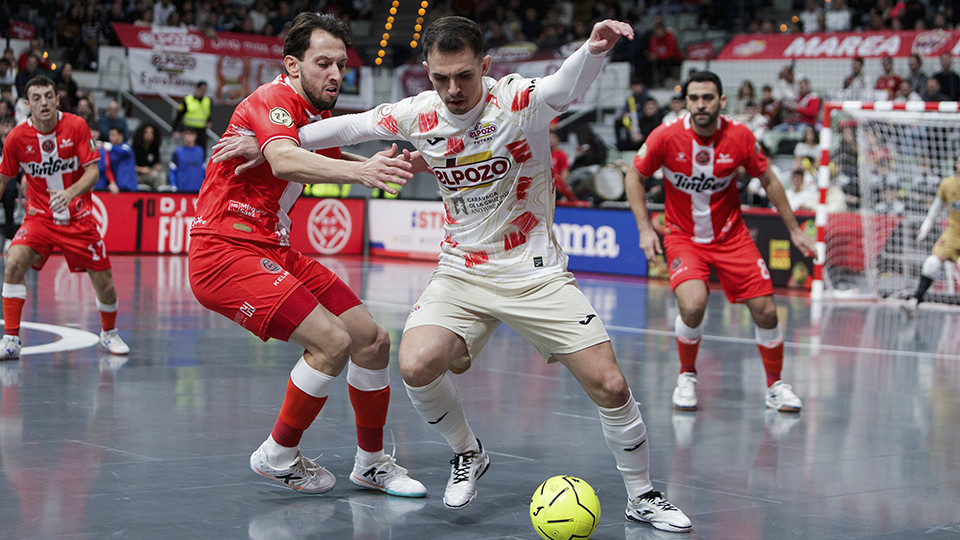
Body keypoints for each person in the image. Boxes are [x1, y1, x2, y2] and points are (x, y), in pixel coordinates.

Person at [214, 15, 692, 532]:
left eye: (464, 76)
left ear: (484, 67)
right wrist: (271, 136)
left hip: (534, 273)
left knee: (612, 386)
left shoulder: (517, 100)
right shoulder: (419, 113)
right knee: (415, 364)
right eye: (440, 78)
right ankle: (467, 452)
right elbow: (350, 126)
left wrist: (594, 49)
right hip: (462, 272)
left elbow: (564, 84)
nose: (452, 90)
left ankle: (642, 495)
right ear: (427, 73)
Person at [188, 12, 425, 499]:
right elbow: (286, 158)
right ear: (292, 66)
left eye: (340, 64)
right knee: (332, 343)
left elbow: (327, 156)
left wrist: (392, 166)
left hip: (273, 246)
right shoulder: (274, 99)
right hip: (225, 251)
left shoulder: (312, 118)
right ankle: (276, 455)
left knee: (372, 340)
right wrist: (363, 175)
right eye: (323, 64)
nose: (335, 74)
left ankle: (372, 463)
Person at [624, 70, 815, 414]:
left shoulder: (740, 136)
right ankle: (687, 375)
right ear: (687, 102)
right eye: (694, 98)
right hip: (684, 237)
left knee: (768, 312)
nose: (701, 105)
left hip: (732, 236)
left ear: (721, 101)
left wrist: (795, 230)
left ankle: (775, 386)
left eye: (708, 98)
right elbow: (634, 175)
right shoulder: (665, 136)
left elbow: (769, 179)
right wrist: (643, 228)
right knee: (693, 305)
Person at [0, 75, 129, 359]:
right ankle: (10, 339)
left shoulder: (77, 125)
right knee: (13, 264)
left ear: (58, 98)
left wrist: (70, 193)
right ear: (26, 104)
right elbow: (3, 179)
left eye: (48, 96)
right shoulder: (17, 138)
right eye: (37, 98)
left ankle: (109, 333)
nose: (44, 102)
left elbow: (93, 172)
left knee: (105, 283)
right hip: (39, 219)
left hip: (79, 219)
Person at [902, 154, 960, 318]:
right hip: (953, 234)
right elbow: (935, 209)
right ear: (956, 164)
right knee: (931, 263)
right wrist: (924, 228)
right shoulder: (948, 184)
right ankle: (915, 302)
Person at [173, 80, 213, 157]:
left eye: (205, 90)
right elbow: (179, 116)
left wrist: (209, 121)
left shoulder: (207, 101)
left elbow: (208, 114)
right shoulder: (187, 100)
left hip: (201, 129)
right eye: (202, 89)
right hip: (189, 129)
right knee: (188, 148)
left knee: (202, 150)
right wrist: (175, 129)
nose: (203, 92)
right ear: (197, 89)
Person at [94, 126, 138, 193]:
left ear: (121, 136)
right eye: (109, 135)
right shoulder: (109, 151)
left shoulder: (126, 147)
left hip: (129, 187)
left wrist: (107, 145)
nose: (110, 137)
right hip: (116, 187)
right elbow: (107, 168)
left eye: (113, 135)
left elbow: (125, 150)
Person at [168, 127, 206, 192]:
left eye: (191, 134)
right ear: (183, 135)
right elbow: (172, 171)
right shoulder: (177, 152)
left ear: (195, 136)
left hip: (198, 190)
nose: (189, 136)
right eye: (187, 134)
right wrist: (173, 185)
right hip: (181, 190)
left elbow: (204, 170)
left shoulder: (201, 151)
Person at [132, 123, 165, 191]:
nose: (149, 135)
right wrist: (141, 169)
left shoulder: (154, 149)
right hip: (137, 175)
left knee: (162, 175)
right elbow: (128, 166)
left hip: (150, 174)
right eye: (146, 132)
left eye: (151, 133)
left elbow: (157, 163)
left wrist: (158, 166)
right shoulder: (134, 149)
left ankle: (159, 196)